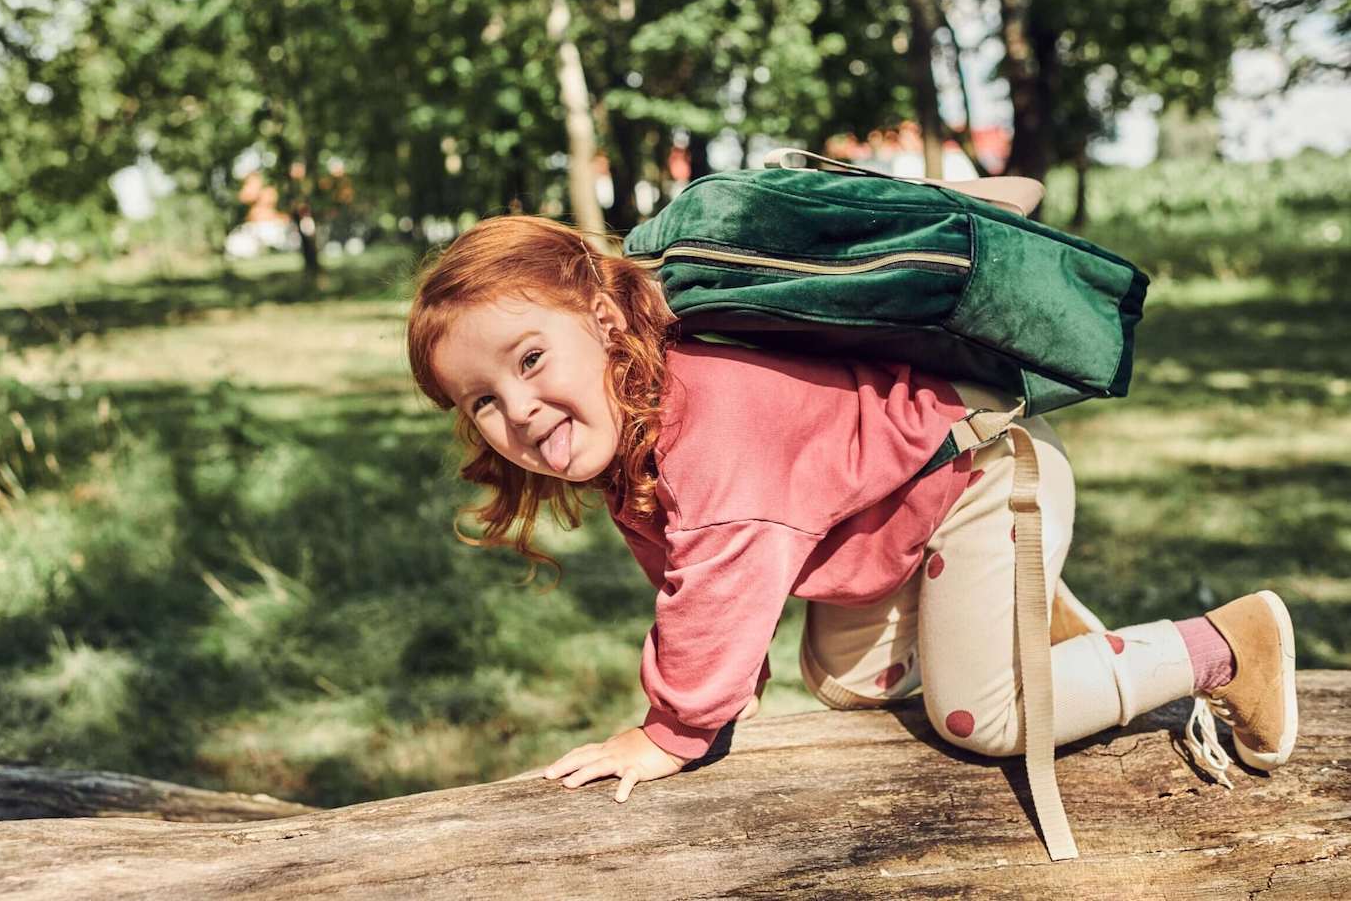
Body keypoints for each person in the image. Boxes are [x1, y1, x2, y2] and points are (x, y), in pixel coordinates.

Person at [404, 213, 1297, 807]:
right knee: (842, 680)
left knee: (978, 720)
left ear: (603, 322)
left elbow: (719, 572)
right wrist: (725, 687)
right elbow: (691, 578)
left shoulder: (705, 427)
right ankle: (1026, 622)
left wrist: (672, 732)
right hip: (901, 512)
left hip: (980, 476)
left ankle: (1224, 645)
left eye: (528, 361)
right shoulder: (635, 420)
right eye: (480, 400)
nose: (515, 410)